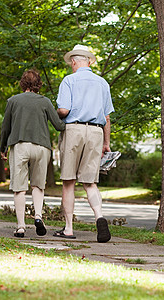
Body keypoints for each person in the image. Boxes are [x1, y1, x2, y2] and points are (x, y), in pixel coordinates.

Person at [54, 44, 114, 243]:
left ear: (73, 62)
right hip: (96, 132)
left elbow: (63, 110)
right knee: (90, 182)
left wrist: (56, 115)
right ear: (89, 61)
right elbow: (106, 116)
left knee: (68, 180)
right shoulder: (102, 83)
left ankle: (69, 228)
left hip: (75, 130)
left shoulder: (69, 81)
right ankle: (100, 217)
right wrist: (106, 142)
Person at [0, 69, 65, 238]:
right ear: (38, 84)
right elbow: (59, 125)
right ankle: (38, 216)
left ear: (23, 83)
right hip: (42, 147)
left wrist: (3, 147)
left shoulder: (13, 101)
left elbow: (5, 127)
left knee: (19, 188)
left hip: (20, 145)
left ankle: (21, 227)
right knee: (38, 185)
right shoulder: (45, 101)